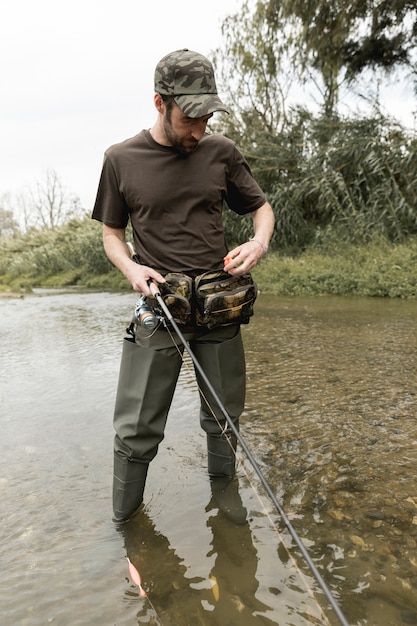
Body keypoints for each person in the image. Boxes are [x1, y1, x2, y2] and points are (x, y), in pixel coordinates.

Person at [92, 48, 275, 523]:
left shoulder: (222, 152)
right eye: (191, 117)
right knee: (136, 430)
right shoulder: (120, 159)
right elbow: (111, 235)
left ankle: (227, 511)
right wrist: (132, 269)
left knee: (224, 419)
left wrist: (259, 242)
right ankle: (123, 526)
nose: (200, 129)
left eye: (207, 115)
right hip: (160, 308)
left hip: (219, 308)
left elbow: (261, 208)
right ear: (160, 103)